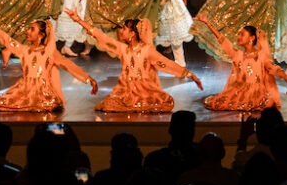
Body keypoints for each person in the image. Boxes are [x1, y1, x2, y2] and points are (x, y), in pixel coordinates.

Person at [67, 9, 202, 113]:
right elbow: (100, 36)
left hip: (145, 89)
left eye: (124, 29)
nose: (121, 31)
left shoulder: (147, 50)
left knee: (165, 102)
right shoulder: (122, 49)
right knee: (109, 104)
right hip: (126, 90)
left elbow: (167, 64)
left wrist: (189, 74)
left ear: (132, 33)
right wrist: (78, 19)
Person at [0, 10, 98, 112]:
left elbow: (70, 67)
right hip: (24, 88)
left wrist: (89, 79)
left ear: (41, 35)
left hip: (43, 92)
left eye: (32, 29)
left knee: (45, 104)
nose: (27, 32)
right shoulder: (24, 50)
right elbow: (3, 37)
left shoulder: (50, 53)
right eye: (28, 28)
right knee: (2, 102)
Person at [194, 14, 287, 111]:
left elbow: (275, 70)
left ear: (252, 38)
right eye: (238, 34)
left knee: (269, 102)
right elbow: (222, 39)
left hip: (257, 94)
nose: (239, 37)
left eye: (242, 34)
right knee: (221, 101)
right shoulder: (237, 55)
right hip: (239, 92)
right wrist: (207, 23)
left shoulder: (261, 57)